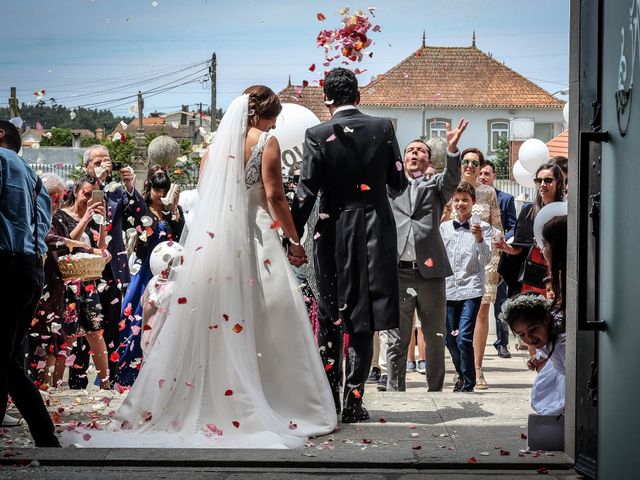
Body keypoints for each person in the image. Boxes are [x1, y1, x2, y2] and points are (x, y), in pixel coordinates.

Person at [63, 86, 337, 448]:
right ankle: (276, 398)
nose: (274, 123)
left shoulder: (213, 149)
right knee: (268, 315)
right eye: (273, 116)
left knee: (214, 314)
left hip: (216, 242)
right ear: (261, 115)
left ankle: (208, 394)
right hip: (255, 239)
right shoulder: (266, 142)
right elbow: (274, 196)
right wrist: (294, 239)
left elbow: (209, 200)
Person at [291, 68, 408, 423]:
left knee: (329, 313)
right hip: (375, 228)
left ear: (327, 100)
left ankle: (329, 400)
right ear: (358, 96)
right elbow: (398, 184)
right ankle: (354, 401)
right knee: (363, 317)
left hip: (334, 229)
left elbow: (306, 191)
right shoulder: (385, 128)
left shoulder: (316, 134)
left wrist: (291, 236)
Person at [386, 130, 467, 393]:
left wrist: (453, 151)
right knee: (396, 339)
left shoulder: (436, 187)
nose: (414, 154)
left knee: (434, 337)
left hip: (430, 275)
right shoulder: (390, 187)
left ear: (429, 159)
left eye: (420, 151)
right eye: (410, 150)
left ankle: (435, 391)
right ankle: (395, 391)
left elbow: (453, 178)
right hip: (398, 273)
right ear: (403, 158)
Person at [0, 119, 60, 447]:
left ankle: (46, 436)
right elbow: (42, 229)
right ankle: (44, 435)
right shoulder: (34, 177)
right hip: (29, 270)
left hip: (6, 265)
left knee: (6, 361)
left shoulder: (1, 160)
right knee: (9, 358)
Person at [70, 145, 146, 389]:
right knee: (84, 327)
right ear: (87, 166)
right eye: (98, 161)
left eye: (108, 161)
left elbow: (139, 216)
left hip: (111, 268)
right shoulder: (81, 191)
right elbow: (79, 216)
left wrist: (131, 187)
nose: (104, 165)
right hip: (83, 268)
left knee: (112, 327)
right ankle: (77, 381)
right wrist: (96, 183)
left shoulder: (116, 194)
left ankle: (109, 382)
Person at [26, 173, 101, 388]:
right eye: (52, 197)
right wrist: (78, 244)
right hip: (40, 286)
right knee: (38, 337)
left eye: (59, 197)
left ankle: (45, 385)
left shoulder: (55, 218)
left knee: (52, 337)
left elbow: (69, 240)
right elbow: (49, 239)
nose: (57, 202)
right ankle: (37, 385)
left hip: (56, 285)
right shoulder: (34, 215)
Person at [115, 166, 184, 386]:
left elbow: (179, 236)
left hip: (168, 274)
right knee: (136, 316)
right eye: (157, 189)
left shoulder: (173, 211)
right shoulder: (144, 210)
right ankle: (129, 372)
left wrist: (174, 212)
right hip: (146, 272)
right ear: (150, 188)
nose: (161, 194)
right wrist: (130, 186)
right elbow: (136, 212)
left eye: (164, 189)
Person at [56, 175, 112, 389]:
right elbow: (68, 242)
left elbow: (101, 245)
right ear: (76, 192)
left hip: (88, 281)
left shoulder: (94, 217)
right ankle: (56, 385)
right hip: (68, 282)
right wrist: (85, 219)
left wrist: (102, 221)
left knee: (95, 332)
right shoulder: (62, 215)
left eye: (93, 195)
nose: (89, 199)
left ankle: (106, 385)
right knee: (68, 334)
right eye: (85, 194)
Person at [440, 182, 493, 392]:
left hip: (471, 289)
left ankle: (469, 382)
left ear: (473, 202)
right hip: (448, 289)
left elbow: (487, 259)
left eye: (465, 200)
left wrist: (479, 238)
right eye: (457, 199)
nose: (461, 203)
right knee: (450, 340)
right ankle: (461, 376)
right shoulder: (444, 228)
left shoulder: (484, 228)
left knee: (463, 337)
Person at [495, 163, 566, 297]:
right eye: (538, 181)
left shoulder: (566, 211)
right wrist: (506, 247)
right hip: (533, 270)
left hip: (558, 269)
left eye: (548, 180)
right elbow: (518, 248)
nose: (542, 184)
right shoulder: (528, 211)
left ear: (559, 182)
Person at [499, 293, 565, 415]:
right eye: (522, 334)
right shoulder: (548, 337)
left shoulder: (563, 345)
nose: (529, 337)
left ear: (546, 318)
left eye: (533, 329)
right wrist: (540, 357)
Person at [478, 160, 516, 359]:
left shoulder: (506, 199)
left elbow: (512, 226)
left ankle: (502, 342)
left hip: (497, 257)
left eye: (487, 173)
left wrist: (501, 237)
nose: (483, 177)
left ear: (494, 176)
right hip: (476, 256)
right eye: (480, 173)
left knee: (500, 301)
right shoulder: (472, 199)